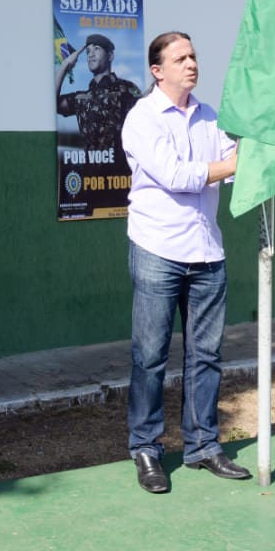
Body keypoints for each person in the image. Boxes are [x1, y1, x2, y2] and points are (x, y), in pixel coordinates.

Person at [120, 31, 250, 493]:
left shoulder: (209, 115)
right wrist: (237, 162)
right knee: (150, 357)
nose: (192, 63)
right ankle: (147, 449)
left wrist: (252, 151)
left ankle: (203, 446)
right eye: (181, 58)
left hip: (207, 252)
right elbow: (178, 176)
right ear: (158, 70)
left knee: (207, 355)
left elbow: (231, 161)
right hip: (158, 250)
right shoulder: (142, 117)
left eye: (193, 55)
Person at [55, 32, 142, 170]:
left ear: (110, 56)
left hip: (121, 178)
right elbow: (53, 104)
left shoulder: (126, 89)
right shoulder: (81, 98)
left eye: (96, 48)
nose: (90, 54)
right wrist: (65, 65)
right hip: (90, 180)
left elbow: (145, 121)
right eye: (88, 51)